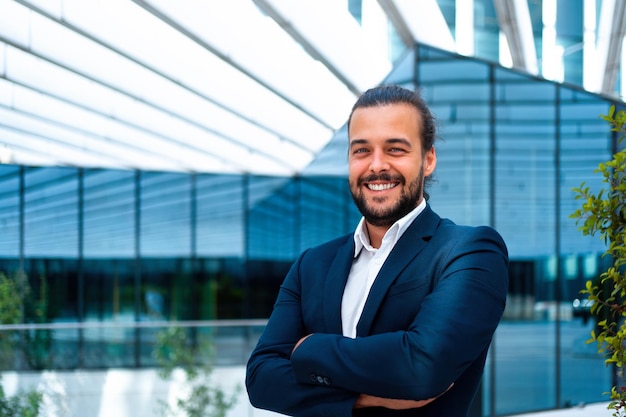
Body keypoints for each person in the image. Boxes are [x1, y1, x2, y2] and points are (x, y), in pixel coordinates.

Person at [245, 84, 509, 416]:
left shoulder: (468, 251)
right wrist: (366, 398)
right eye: (361, 150)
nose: (376, 165)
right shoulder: (312, 264)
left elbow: (421, 368)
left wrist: (308, 348)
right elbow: (260, 379)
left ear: (428, 160)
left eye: (395, 149)